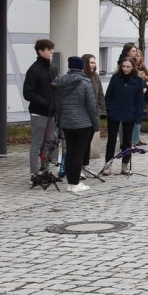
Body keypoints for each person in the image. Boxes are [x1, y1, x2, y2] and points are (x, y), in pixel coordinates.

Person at [54, 56, 99, 194]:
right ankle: (75, 183)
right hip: (83, 123)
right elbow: (91, 106)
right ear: (81, 67)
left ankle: (70, 183)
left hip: (67, 123)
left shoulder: (60, 82)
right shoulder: (85, 83)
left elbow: (57, 104)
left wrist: (60, 120)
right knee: (78, 153)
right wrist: (96, 124)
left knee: (71, 152)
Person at [23, 38, 58, 182]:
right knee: (37, 143)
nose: (52, 52)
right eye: (49, 49)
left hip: (51, 113)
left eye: (52, 49)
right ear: (41, 51)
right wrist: (44, 103)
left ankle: (45, 170)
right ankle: (34, 173)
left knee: (49, 143)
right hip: (39, 112)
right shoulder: (34, 70)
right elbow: (28, 93)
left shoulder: (52, 69)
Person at [103, 56, 145, 176]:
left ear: (133, 67)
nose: (125, 69)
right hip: (114, 113)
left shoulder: (137, 80)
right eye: (123, 66)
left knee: (127, 141)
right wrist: (110, 110)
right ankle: (108, 164)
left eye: (128, 67)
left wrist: (138, 117)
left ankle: (125, 165)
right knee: (111, 140)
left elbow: (139, 101)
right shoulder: (116, 78)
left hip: (129, 114)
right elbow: (109, 96)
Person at [81, 52, 105, 173]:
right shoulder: (81, 76)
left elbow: (100, 94)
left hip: (94, 114)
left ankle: (86, 165)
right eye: (91, 62)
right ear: (85, 63)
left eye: (94, 62)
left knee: (88, 141)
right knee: (82, 142)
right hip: (83, 114)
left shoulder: (95, 76)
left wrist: (102, 111)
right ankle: (79, 166)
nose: (93, 65)